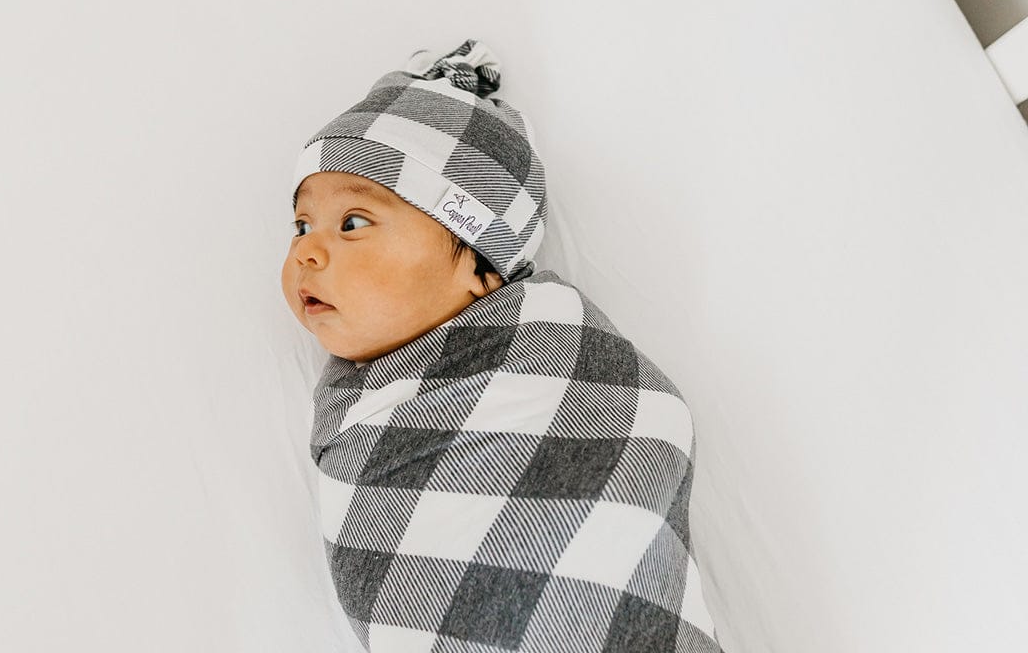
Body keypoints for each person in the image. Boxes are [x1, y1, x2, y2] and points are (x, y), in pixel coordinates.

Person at [280, 39, 724, 652]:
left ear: (477, 262)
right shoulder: (371, 406)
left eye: (353, 223)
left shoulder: (558, 351)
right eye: (301, 225)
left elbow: (639, 444)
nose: (306, 249)